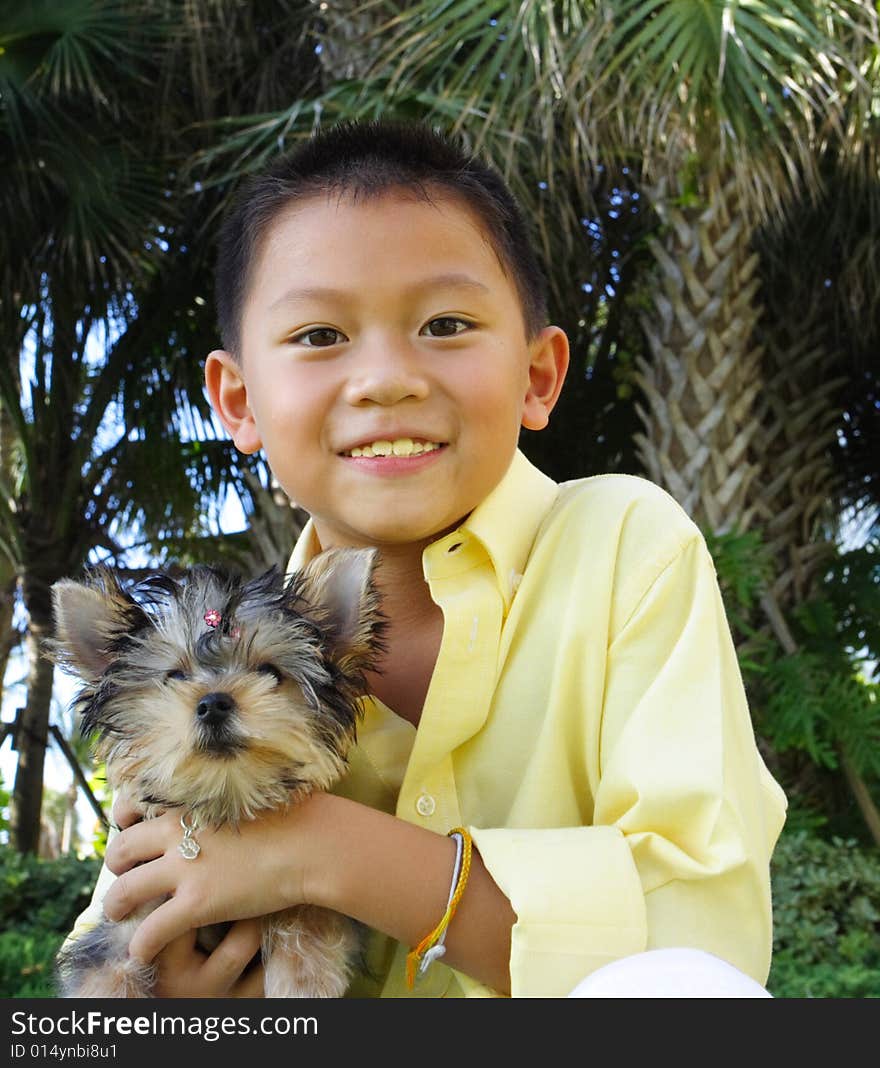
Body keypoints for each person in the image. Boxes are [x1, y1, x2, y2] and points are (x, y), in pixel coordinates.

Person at [69, 118, 787, 998]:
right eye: (320, 336)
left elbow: (699, 947)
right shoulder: (181, 664)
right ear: (238, 399)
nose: (386, 379)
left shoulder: (624, 546)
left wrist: (322, 851)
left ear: (537, 376)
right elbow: (115, 939)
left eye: (445, 323)